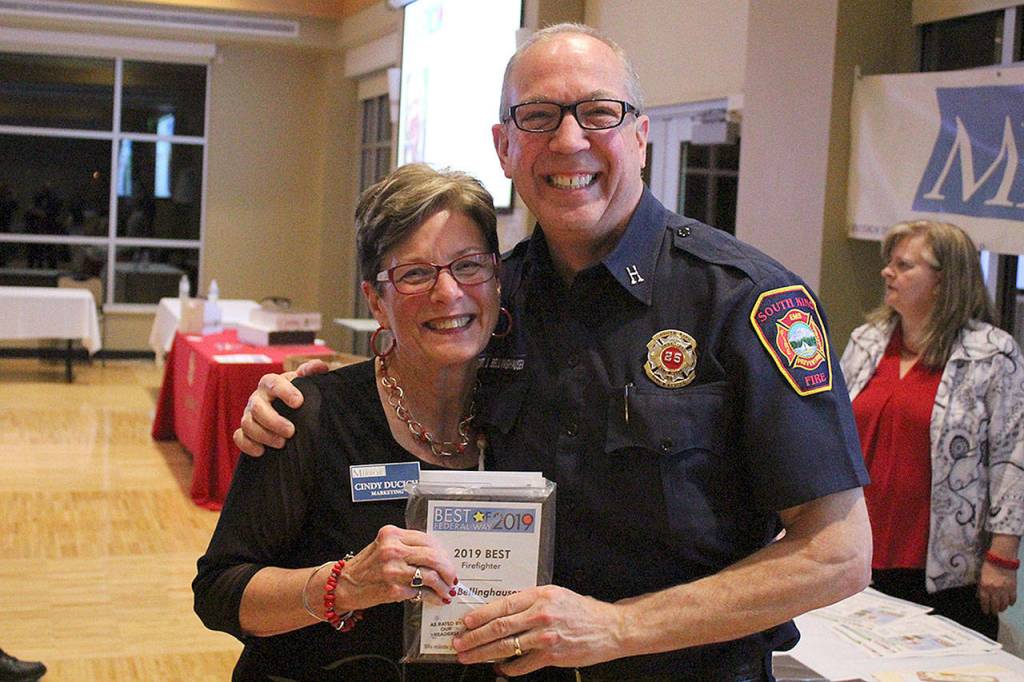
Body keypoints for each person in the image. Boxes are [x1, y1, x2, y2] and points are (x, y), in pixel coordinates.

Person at [234, 23, 872, 680]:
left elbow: (838, 553)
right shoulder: (492, 299)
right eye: (538, 116)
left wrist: (619, 628)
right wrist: (302, 398)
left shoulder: (742, 301)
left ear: (641, 137)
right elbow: (404, 386)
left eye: (599, 112)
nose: (570, 140)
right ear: (505, 147)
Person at [193, 164, 503, 681]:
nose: (448, 292)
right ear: (376, 300)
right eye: (415, 273)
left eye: (468, 265)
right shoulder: (307, 414)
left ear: (496, 279)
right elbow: (220, 592)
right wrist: (346, 583)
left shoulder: (524, 415)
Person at [840, 220, 1024, 640]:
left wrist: (1004, 556)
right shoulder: (867, 341)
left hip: (944, 568)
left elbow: (1012, 460)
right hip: (857, 552)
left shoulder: (992, 354)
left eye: (903, 265)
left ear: (944, 282)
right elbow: (833, 436)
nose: (887, 271)